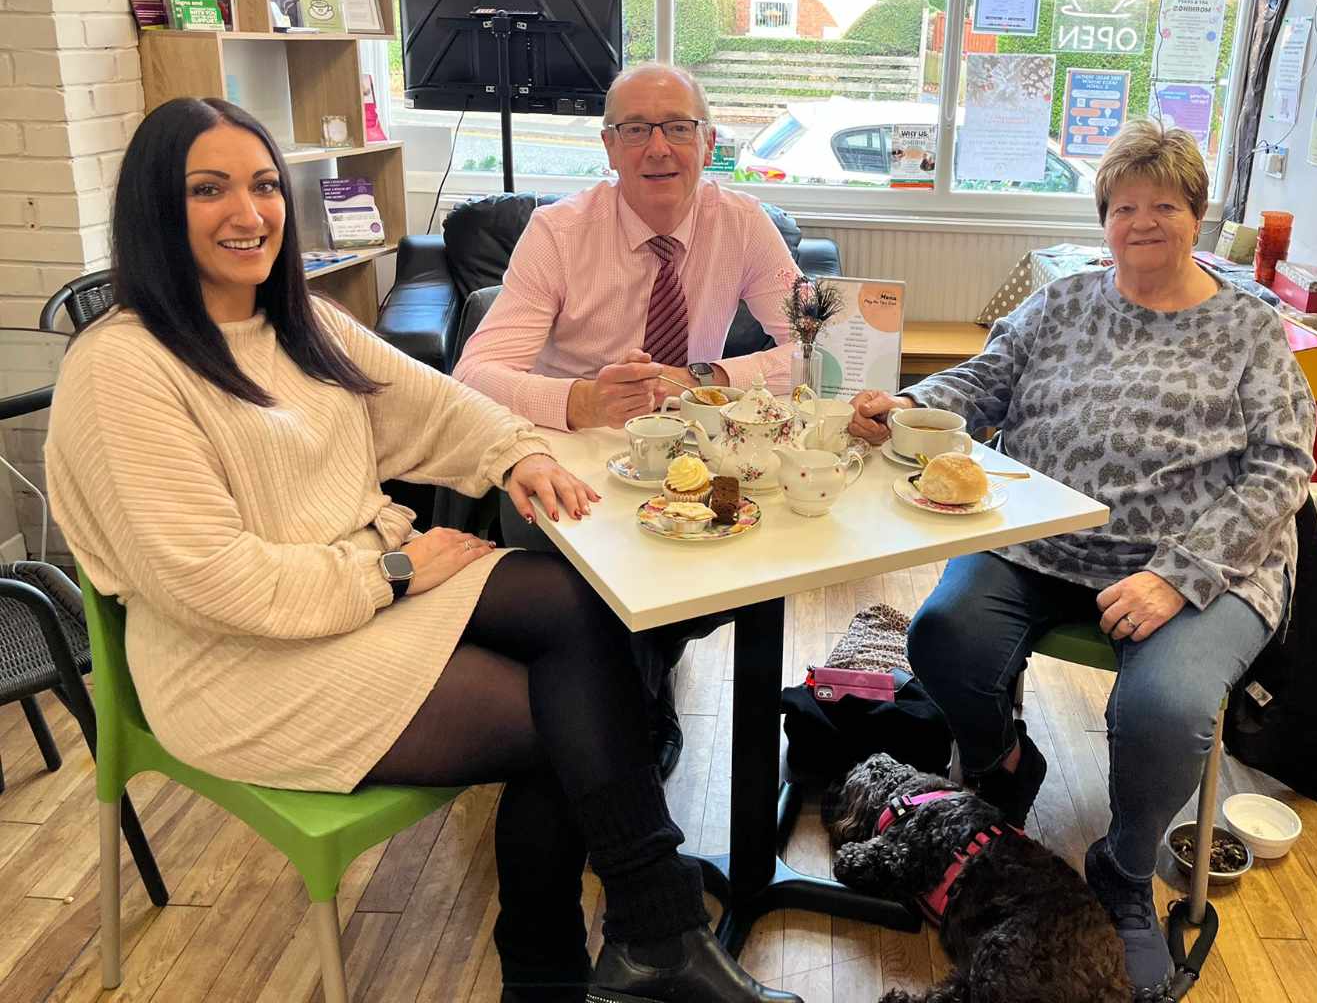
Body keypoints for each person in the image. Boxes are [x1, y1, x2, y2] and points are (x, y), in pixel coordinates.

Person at [44, 98, 799, 1003]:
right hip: (239, 666)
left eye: (261, 186)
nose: (247, 215)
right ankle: (597, 957)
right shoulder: (122, 368)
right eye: (208, 190)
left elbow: (440, 403)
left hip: (350, 606)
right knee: (582, 722)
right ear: (154, 209)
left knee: (576, 605)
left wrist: (514, 451)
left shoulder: (299, 324)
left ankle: (640, 941)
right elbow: (215, 585)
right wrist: (391, 572)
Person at [847, 120, 1316, 1000]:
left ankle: (1126, 872)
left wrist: (1180, 575)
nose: (1144, 222)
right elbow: (983, 381)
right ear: (1104, 219)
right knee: (943, 635)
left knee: (1166, 708)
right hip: (1042, 539)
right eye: (1125, 206)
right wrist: (905, 403)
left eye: (1165, 206)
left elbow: (1283, 467)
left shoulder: (1249, 330)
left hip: (1198, 566)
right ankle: (1000, 770)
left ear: (1198, 218)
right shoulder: (1061, 302)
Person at [453, 63, 803, 777]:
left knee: (735, 558)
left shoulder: (742, 223)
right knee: (601, 581)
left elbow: (821, 346)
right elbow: (472, 375)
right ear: (609, 146)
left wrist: (706, 377)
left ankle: (641, 679)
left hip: (685, 454)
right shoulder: (557, 233)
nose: (659, 149)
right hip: (568, 459)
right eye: (637, 129)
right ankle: (629, 708)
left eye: (678, 128)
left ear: (708, 143)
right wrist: (575, 399)